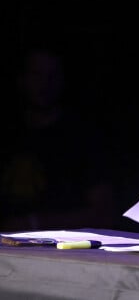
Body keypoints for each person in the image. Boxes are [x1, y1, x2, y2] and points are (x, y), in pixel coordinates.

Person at [0, 44, 117, 231]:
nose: (44, 84)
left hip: (57, 250)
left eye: (51, 76)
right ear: (21, 80)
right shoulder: (9, 133)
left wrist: (33, 223)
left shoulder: (81, 138)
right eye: (36, 75)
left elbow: (103, 212)